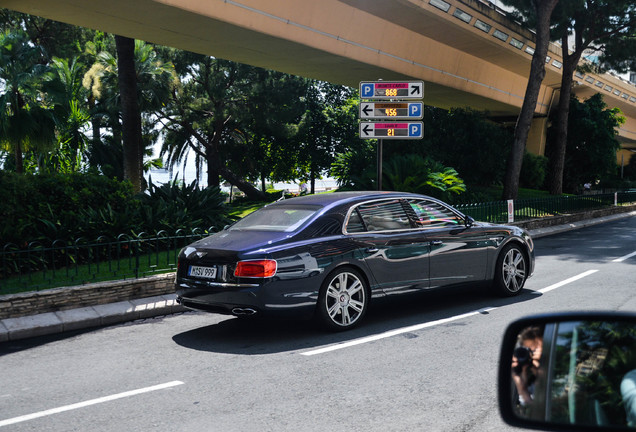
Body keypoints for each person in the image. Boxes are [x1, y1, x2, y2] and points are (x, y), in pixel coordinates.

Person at [511, 326, 544, 410]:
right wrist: (521, 389)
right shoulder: (527, 373)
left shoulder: (555, 376)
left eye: (534, 349)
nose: (530, 355)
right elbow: (527, 405)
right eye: (528, 351)